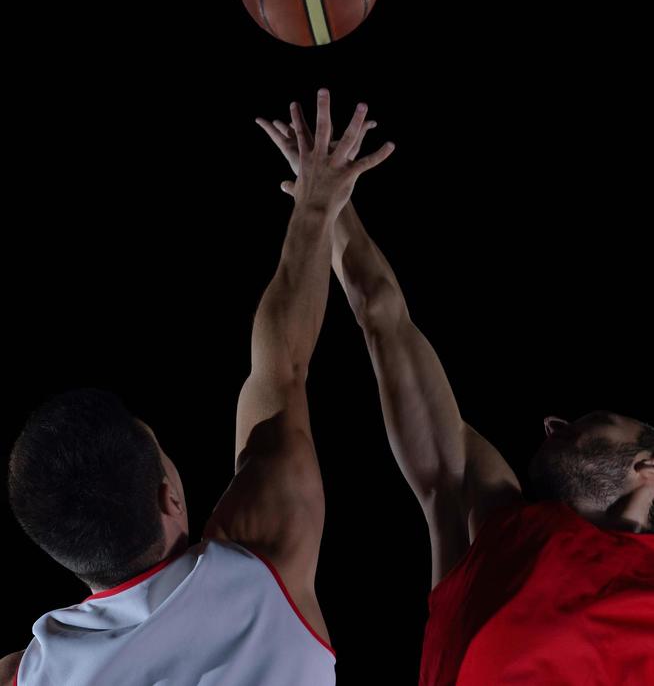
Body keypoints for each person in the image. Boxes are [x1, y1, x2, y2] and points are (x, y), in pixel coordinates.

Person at [2, 89, 394, 686]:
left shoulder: (35, 672)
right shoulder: (263, 568)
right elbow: (283, 365)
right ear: (169, 499)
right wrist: (316, 202)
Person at [257, 103, 654, 685]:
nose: (552, 422)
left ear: (646, 467)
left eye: (592, 421)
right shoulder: (490, 518)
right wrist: (326, 197)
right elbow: (384, 317)